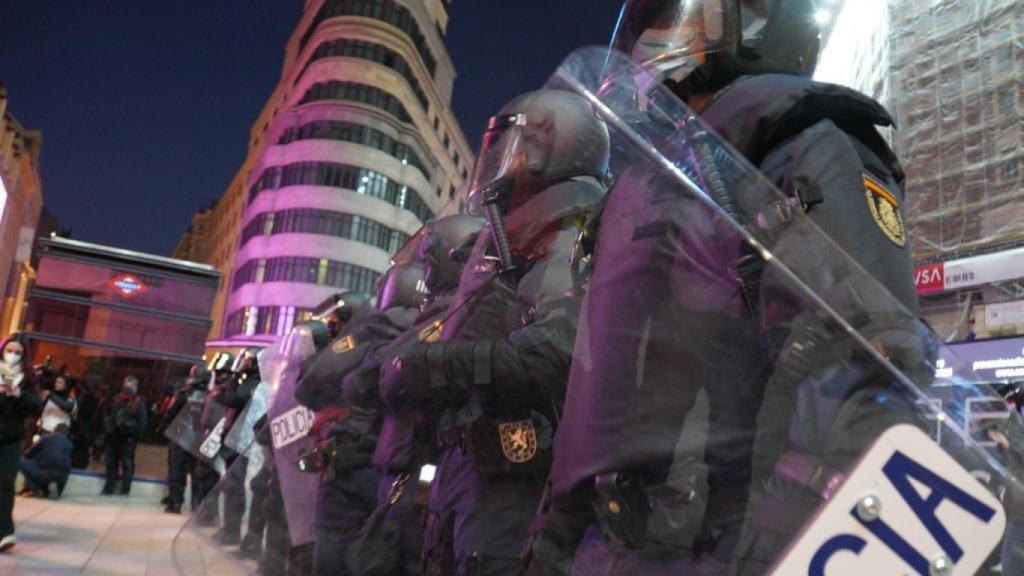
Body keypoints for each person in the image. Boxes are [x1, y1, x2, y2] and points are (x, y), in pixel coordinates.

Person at [533, 1, 924, 573]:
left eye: (674, 16)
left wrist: (790, 547)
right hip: (619, 545)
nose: (649, 44)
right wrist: (553, 543)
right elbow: (597, 394)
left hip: (733, 543)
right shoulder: (650, 182)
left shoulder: (802, 138)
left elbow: (861, 368)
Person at [378, 90, 610, 575]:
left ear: (551, 150)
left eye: (514, 145)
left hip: (516, 483)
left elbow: (554, 352)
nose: (501, 161)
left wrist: (433, 367)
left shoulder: (569, 232)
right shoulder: (512, 237)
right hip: (468, 471)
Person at [341, 214, 485, 576]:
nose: (426, 271)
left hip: (419, 478)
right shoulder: (464, 312)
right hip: (433, 476)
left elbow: (363, 381)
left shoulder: (445, 315)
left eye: (430, 257)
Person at [0, 334, 41, 551]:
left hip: (10, 438)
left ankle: (5, 532)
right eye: (9, 350)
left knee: (5, 484)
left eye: (17, 352)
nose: (12, 355)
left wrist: (18, 394)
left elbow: (35, 406)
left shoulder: (28, 379)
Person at [162, 365, 210, 514]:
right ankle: (196, 504)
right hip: (200, 439)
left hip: (180, 436)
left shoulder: (182, 394)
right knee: (198, 473)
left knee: (177, 470)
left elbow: (169, 414)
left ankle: (175, 503)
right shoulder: (210, 396)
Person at [101, 375, 148, 495]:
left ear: (136, 387)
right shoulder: (116, 399)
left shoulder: (138, 402)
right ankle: (109, 488)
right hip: (113, 437)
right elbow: (108, 414)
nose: (128, 387)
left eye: (131, 385)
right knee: (110, 463)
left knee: (127, 464)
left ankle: (125, 490)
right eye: (126, 384)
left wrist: (131, 430)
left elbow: (142, 423)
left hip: (128, 439)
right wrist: (108, 426)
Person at [19, 423, 72, 498]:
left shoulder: (46, 438)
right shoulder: (69, 443)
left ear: (54, 429)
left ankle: (35, 488)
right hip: (63, 475)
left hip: (45, 472)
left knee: (21, 461)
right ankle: (52, 489)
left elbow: (29, 454)